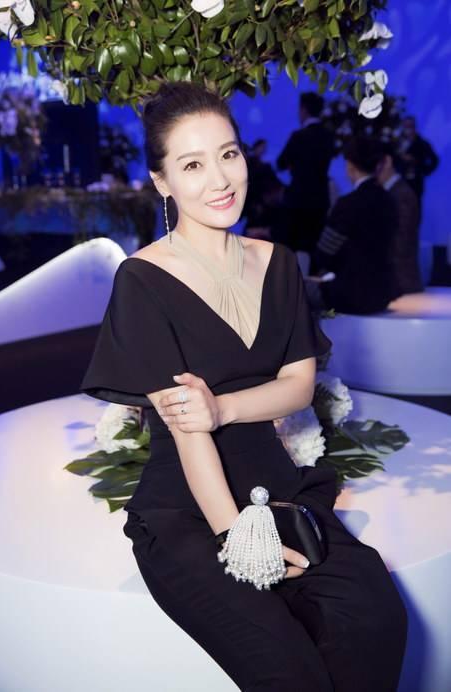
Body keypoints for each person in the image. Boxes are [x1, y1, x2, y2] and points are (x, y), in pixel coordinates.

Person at [81, 83, 407, 691]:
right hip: (187, 508)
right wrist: (238, 538)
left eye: (228, 154)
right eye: (192, 165)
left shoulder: (278, 262)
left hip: (279, 489)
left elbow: (297, 386)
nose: (220, 179)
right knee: (284, 668)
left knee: (374, 618)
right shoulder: (142, 280)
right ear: (161, 182)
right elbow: (189, 435)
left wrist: (222, 406)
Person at [308, 136, 400, 315]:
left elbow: (324, 255)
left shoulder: (348, 204)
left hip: (350, 293)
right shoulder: (389, 200)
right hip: (384, 292)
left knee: (290, 289)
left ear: (350, 166)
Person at [275, 92, 336, 253]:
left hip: (298, 199)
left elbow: (280, 163)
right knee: (313, 248)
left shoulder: (299, 136)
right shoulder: (329, 136)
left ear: (303, 109)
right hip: (320, 198)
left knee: (293, 246)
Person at [377, 142, 424, 295]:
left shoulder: (401, 194)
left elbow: (401, 242)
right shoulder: (391, 192)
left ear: (387, 162)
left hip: (401, 284)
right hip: (393, 284)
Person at [241, 138, 284, 240]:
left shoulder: (264, 166)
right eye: (262, 147)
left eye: (265, 148)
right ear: (256, 147)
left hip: (261, 201)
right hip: (253, 200)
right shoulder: (250, 164)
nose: (263, 150)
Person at [398, 115, 439, 208]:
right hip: (399, 182)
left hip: (416, 184)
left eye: (410, 126)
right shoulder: (397, 143)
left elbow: (434, 160)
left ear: (414, 127)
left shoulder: (422, 143)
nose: (408, 129)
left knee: (414, 210)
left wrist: (422, 170)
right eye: (405, 126)